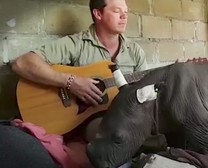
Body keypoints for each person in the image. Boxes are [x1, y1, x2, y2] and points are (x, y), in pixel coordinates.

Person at [5, 0, 147, 167]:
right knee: (116, 137)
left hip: (120, 116)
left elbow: (145, 88)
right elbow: (21, 63)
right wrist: (70, 82)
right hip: (89, 120)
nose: (124, 16)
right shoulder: (77, 44)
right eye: (117, 11)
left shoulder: (135, 51)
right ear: (98, 14)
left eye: (126, 11)